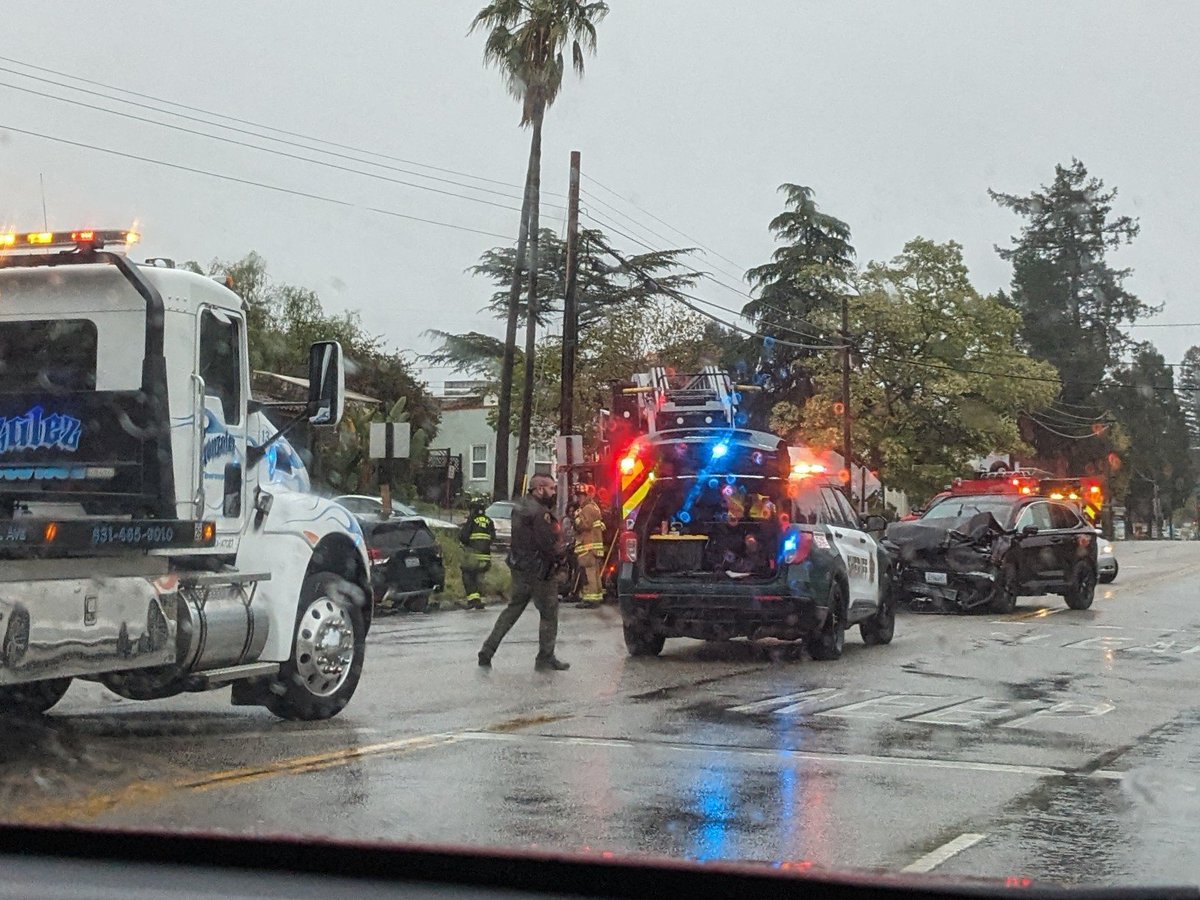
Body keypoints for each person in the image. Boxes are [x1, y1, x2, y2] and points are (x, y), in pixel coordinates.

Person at [477, 474, 570, 672]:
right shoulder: (540, 513)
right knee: (549, 612)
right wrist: (560, 558)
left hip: (519, 567)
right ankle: (545, 657)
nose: (554, 493)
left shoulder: (520, 508)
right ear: (539, 489)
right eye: (552, 488)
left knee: (513, 609)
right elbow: (547, 543)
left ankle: (488, 649)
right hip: (539, 571)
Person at [458, 497, 495, 611]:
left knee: (467, 576)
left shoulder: (472, 520)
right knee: (480, 577)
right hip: (485, 557)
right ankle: (481, 600)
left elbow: (463, 536)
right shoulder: (489, 521)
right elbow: (493, 537)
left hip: (472, 556)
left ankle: (472, 601)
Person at [573, 486, 606, 608]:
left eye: (580, 496)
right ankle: (596, 597)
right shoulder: (594, 507)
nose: (578, 499)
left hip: (588, 546)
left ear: (586, 496)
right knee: (594, 573)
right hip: (594, 547)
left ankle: (590, 600)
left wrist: (576, 518)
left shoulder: (587, 509)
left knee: (589, 574)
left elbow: (584, 525)